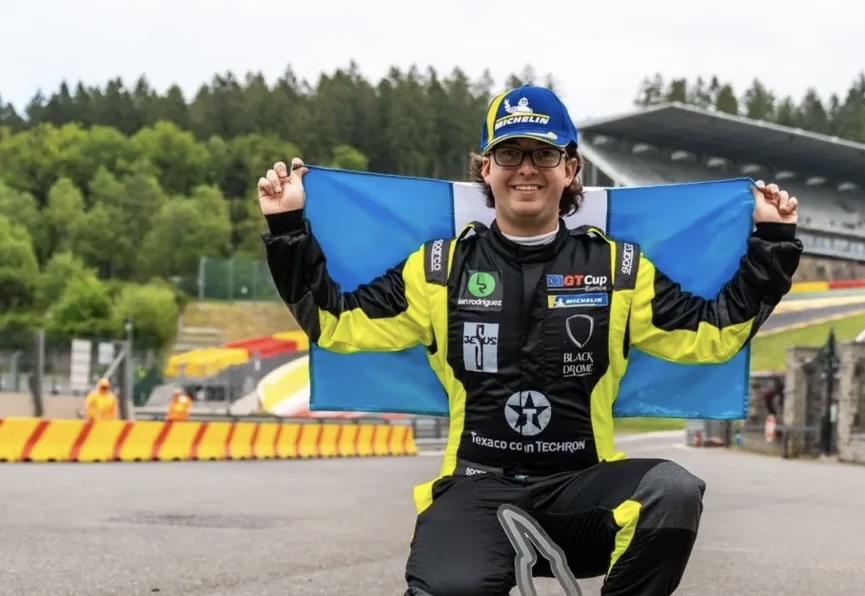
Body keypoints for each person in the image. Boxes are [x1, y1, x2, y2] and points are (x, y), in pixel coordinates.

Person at [258, 84, 803, 596]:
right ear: (486, 168)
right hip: (475, 487)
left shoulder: (619, 269)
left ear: (570, 169)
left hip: (581, 491)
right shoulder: (437, 268)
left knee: (673, 491)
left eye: (543, 154)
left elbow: (712, 334)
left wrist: (772, 240)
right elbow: (335, 320)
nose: (526, 168)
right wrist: (287, 227)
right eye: (509, 153)